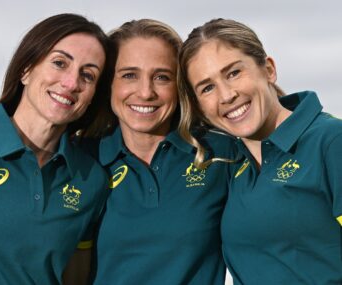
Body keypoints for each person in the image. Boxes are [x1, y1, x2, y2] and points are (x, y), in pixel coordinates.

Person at [178, 18, 342, 284]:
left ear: (268, 69)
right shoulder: (228, 161)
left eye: (233, 73)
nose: (226, 95)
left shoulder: (331, 141)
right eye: (207, 87)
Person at [78, 19, 236, 285]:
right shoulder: (79, 161)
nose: (146, 92)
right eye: (129, 75)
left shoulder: (221, 153)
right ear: (109, 85)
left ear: (180, 86)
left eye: (162, 77)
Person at [0, 13, 110, 285]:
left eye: (87, 75)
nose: (71, 83)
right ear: (26, 69)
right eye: (59, 63)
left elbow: (75, 278)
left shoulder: (91, 180)